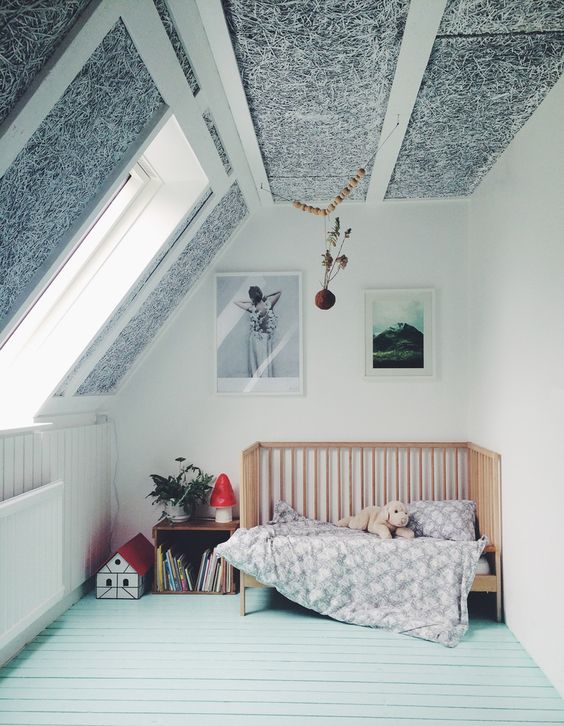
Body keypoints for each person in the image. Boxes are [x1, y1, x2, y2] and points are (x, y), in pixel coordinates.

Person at [234, 286, 281, 377]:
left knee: (255, 362)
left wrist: (250, 301)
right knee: (265, 361)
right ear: (261, 293)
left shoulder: (252, 308)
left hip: (255, 338)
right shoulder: (269, 304)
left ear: (251, 297)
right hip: (265, 337)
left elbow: (236, 301)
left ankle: (257, 383)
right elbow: (279, 291)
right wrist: (267, 295)